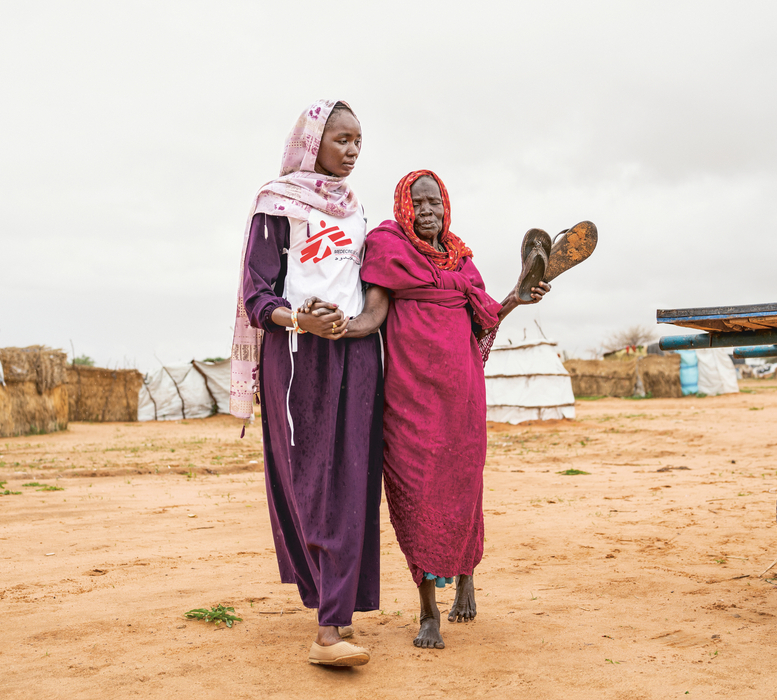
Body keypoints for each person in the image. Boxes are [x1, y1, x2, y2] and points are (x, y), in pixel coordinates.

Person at [344, 169, 549, 650]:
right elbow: (374, 314)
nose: (428, 210)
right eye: (419, 202)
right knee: (415, 495)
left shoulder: (463, 261)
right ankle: (426, 610)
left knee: (462, 490)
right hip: (409, 398)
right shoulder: (387, 249)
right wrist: (334, 328)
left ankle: (465, 578)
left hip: (461, 397)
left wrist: (517, 297)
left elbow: (484, 321)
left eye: (435, 201)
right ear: (403, 206)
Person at [231, 99, 382, 667]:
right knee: (312, 482)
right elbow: (257, 294)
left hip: (358, 356)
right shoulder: (277, 205)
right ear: (312, 140)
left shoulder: (358, 210)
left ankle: (332, 623)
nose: (351, 150)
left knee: (352, 479)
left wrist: (357, 324)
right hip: (297, 359)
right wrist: (303, 319)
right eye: (341, 139)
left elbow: (371, 282)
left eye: (358, 141)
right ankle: (328, 614)